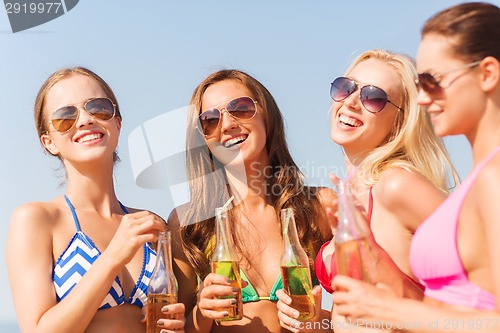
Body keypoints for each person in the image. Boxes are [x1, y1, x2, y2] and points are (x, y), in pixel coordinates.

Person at [332, 2, 500, 332]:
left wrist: (392, 311)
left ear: (487, 74)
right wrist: (371, 251)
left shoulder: (494, 177)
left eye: (432, 81)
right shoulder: (479, 179)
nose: (422, 99)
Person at [277, 49, 459, 333]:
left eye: (372, 97)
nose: (350, 101)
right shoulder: (351, 194)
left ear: (401, 121)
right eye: (345, 87)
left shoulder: (397, 185)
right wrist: (319, 322)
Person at [6, 67, 185, 333]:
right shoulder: (36, 220)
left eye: (99, 108)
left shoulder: (151, 225)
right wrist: (113, 256)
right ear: (49, 142)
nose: (85, 120)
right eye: (65, 117)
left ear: (117, 123)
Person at [167, 69, 335, 332]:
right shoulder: (188, 222)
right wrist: (202, 312)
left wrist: (319, 322)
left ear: (267, 113)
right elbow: (173, 328)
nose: (227, 124)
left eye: (240, 108)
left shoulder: (319, 207)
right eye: (210, 119)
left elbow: (362, 316)